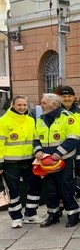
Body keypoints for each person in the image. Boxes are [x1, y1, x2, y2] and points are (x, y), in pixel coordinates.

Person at [34, 93, 80, 228]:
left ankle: (73, 215)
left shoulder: (67, 117)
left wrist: (58, 153)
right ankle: (53, 215)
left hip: (64, 160)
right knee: (50, 189)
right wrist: (38, 150)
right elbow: (36, 138)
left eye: (44, 103)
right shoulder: (41, 119)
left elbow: (73, 138)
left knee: (66, 187)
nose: (41, 105)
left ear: (53, 104)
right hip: (46, 162)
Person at [0, 96, 43, 228]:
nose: (22, 107)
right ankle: (16, 217)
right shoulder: (3, 121)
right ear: (13, 105)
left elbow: (35, 139)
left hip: (29, 160)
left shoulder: (31, 120)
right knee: (14, 191)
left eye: (24, 105)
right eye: (19, 105)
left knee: (35, 186)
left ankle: (31, 214)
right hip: (10, 162)